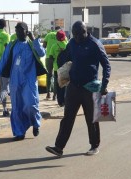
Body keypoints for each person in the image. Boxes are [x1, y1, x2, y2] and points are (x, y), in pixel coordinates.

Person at [45, 21, 111, 157]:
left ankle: (94, 145)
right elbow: (64, 58)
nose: (76, 38)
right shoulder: (72, 43)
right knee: (67, 117)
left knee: (91, 118)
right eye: (74, 35)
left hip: (90, 86)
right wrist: (60, 58)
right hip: (74, 86)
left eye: (78, 35)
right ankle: (59, 147)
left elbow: (106, 65)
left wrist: (104, 84)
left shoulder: (95, 44)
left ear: (85, 32)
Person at [0, 22, 47, 141]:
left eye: (20, 30)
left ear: (26, 31)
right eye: (16, 30)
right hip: (15, 80)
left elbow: (42, 53)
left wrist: (34, 39)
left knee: (30, 105)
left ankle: (35, 123)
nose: (18, 33)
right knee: (17, 107)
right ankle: (19, 132)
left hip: (29, 79)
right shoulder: (12, 45)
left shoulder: (31, 44)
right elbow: (3, 60)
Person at [49, 30, 68, 107]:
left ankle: (60, 101)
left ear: (57, 37)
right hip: (66, 68)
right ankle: (65, 100)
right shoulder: (67, 45)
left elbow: (50, 56)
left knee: (59, 85)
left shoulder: (54, 45)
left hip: (57, 68)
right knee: (66, 85)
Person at [43, 26, 61, 100]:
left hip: (48, 57)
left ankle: (48, 94)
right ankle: (55, 95)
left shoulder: (49, 34)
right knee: (57, 76)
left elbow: (44, 45)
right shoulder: (61, 34)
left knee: (49, 75)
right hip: (58, 58)